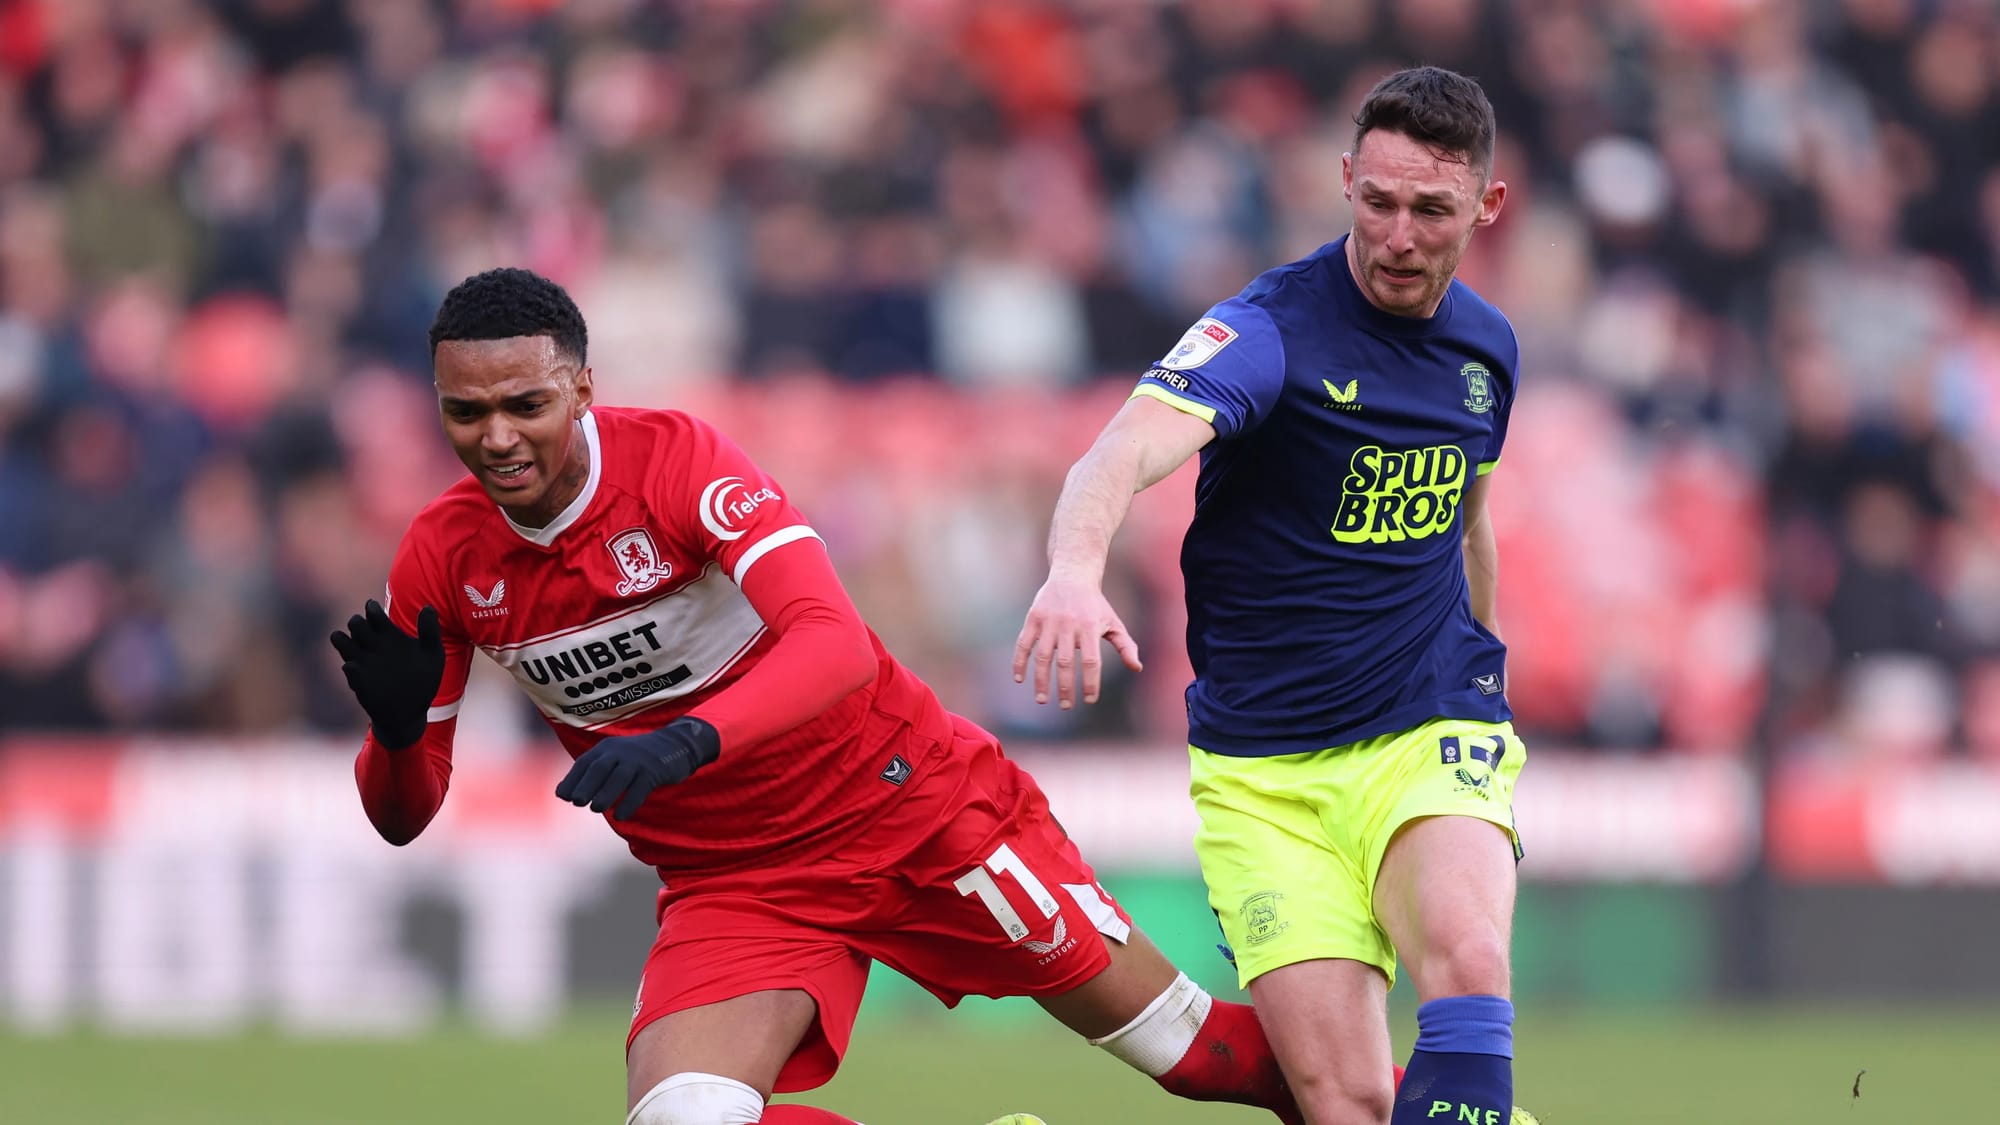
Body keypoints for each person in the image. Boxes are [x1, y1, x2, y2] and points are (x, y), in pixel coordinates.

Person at [328, 267, 1363, 1125]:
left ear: (583, 388)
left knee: (1199, 1056)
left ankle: (1456, 1110)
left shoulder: (675, 465)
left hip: (914, 808)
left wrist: (687, 742)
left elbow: (834, 646)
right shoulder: (440, 557)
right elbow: (404, 816)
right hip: (735, 880)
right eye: (465, 412)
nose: (497, 436)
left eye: (525, 404)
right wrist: (393, 730)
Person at [1015, 67, 1534, 1125]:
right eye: (1375, 200)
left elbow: (1465, 512)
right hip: (1263, 771)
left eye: (1428, 210)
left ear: (1483, 207)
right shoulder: (1268, 333)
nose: (1396, 234)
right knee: (1345, 1101)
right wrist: (1073, 574)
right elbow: (1115, 456)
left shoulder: (1487, 349)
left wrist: (1486, 655)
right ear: (1344, 180)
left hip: (1425, 725)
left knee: (1470, 957)